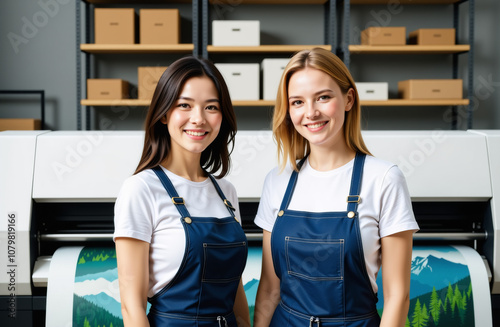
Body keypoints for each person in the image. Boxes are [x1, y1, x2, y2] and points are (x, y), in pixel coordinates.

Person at [253, 48, 419, 327]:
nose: (311, 113)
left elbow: (397, 296)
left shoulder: (384, 178)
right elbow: (270, 288)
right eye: (297, 102)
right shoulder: (277, 180)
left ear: (348, 99)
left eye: (323, 97)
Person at [114, 56, 250, 327]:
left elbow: (235, 289)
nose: (198, 119)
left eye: (211, 107)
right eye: (184, 105)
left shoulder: (226, 192)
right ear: (164, 114)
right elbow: (132, 306)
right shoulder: (141, 189)